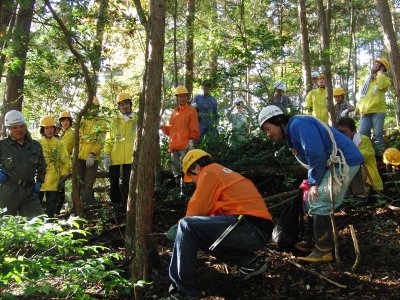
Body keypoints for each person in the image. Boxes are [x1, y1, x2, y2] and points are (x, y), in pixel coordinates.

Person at [258, 105, 363, 262]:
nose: (268, 134)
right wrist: (311, 180)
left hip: (345, 161)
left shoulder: (297, 125)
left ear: (278, 120)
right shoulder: (292, 133)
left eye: (268, 128)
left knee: (320, 200)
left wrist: (314, 182)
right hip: (334, 164)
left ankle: (324, 251)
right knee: (309, 201)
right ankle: (314, 242)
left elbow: (315, 153)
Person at [167, 149, 273, 299]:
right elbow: (209, 219)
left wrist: (179, 227)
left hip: (248, 226)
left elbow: (196, 210)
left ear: (196, 168)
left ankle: (182, 292)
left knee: (187, 225)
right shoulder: (220, 172)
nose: (194, 182)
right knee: (198, 233)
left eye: (192, 177)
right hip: (255, 229)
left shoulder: (209, 172)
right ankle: (249, 262)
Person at [0, 110, 46, 218]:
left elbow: (42, 166)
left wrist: (39, 182)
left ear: (25, 126)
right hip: (7, 193)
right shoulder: (2, 145)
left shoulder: (35, 145)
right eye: (14, 127)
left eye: (21, 126)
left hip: (29, 193)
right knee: (3, 228)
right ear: (9, 129)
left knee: (39, 225)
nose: (18, 130)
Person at [104, 92, 137, 212]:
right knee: (113, 182)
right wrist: (107, 153)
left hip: (130, 156)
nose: (124, 106)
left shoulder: (136, 118)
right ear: (118, 107)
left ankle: (126, 205)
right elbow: (109, 138)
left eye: (126, 103)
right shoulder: (114, 121)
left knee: (128, 182)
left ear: (130, 104)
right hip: (115, 155)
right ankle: (116, 205)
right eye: (122, 104)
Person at [337, 117, 383, 203]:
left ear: (353, 130)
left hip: (366, 170)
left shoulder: (363, 139)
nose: (342, 134)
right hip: (348, 170)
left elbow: (360, 157)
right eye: (340, 132)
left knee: (357, 167)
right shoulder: (340, 141)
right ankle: (347, 194)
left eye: (344, 132)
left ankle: (362, 195)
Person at [161, 86, 200, 185]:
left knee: (187, 169)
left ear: (187, 97)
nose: (182, 98)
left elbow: (194, 127)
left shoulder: (191, 110)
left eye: (184, 96)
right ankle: (178, 188)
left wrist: (192, 140)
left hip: (185, 146)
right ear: (177, 98)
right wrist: (162, 127)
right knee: (176, 172)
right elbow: (171, 129)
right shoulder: (174, 112)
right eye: (180, 96)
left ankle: (189, 189)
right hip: (174, 146)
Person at [77, 96, 107, 210]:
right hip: (79, 156)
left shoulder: (101, 123)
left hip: (93, 158)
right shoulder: (82, 121)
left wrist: (93, 153)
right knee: (78, 183)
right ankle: (75, 208)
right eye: (91, 107)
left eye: (95, 107)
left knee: (88, 185)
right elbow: (77, 138)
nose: (93, 110)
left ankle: (87, 208)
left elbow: (100, 140)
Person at [38, 116, 70, 218]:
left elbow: (66, 161)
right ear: (43, 129)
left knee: (51, 208)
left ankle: (50, 228)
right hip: (39, 181)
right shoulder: (37, 144)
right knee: (36, 207)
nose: (50, 130)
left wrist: (62, 178)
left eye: (51, 127)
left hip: (54, 181)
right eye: (47, 128)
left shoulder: (59, 144)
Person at [355, 58, 391, 148]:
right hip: (365, 112)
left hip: (377, 111)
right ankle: (365, 155)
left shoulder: (385, 79)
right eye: (374, 63)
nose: (373, 65)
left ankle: (379, 157)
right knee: (362, 135)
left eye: (376, 64)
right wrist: (358, 108)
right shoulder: (367, 81)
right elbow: (362, 96)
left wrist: (380, 73)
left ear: (382, 67)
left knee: (378, 136)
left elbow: (381, 85)